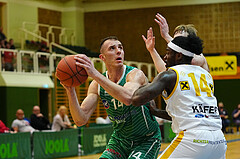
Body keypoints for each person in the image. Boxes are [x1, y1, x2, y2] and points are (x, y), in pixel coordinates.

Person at [61, 36, 161, 158]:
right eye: (112, 48)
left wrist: (95, 74)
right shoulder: (96, 85)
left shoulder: (135, 74)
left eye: (120, 47)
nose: (118, 51)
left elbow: (128, 98)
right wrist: (70, 91)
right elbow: (80, 120)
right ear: (102, 57)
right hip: (119, 141)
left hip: (146, 139)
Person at [132, 35, 227, 159]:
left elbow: (136, 99)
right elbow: (188, 114)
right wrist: (155, 112)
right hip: (219, 140)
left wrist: (139, 84)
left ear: (179, 56)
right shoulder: (206, 75)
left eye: (168, 53)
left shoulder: (169, 75)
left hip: (193, 140)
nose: (165, 57)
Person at [142, 13, 209, 74]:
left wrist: (166, 36)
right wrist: (152, 50)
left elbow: (192, 60)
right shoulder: (177, 60)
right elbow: (163, 71)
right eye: (175, 40)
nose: (175, 43)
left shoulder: (199, 57)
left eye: (179, 39)